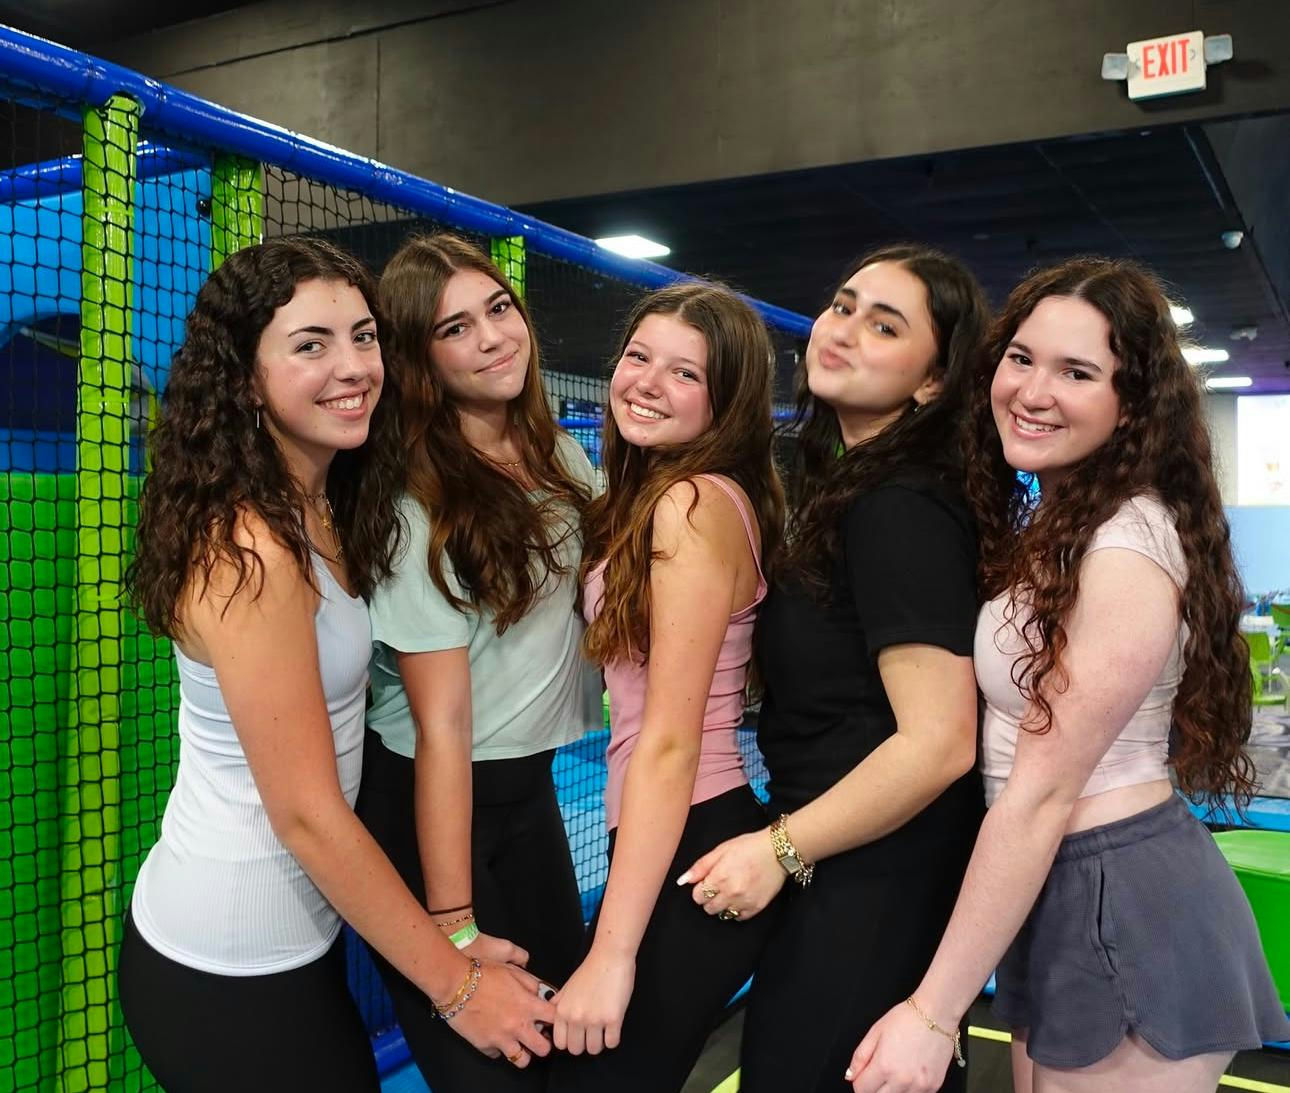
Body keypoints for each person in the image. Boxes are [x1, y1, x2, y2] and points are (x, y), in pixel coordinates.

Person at [118, 237, 554, 1093]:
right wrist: (459, 983)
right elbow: (308, 814)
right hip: (227, 963)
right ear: (245, 378)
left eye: (363, 336)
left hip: (298, 939)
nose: (353, 366)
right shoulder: (249, 547)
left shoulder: (320, 503)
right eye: (310, 345)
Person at [846, 257, 1290, 1093]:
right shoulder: (1061, 520)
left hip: (1115, 894)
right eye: (1022, 358)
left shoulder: (1124, 545)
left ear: (1132, 405)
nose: (1033, 390)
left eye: (1077, 372)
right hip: (1065, 883)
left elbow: (1043, 793)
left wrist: (935, 1012)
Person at [681, 245, 991, 1093]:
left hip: (874, 873)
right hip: (858, 858)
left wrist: (777, 850)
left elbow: (938, 743)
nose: (844, 331)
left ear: (933, 381)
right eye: (843, 305)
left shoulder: (900, 506)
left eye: (885, 326)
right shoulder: (850, 483)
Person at [358, 233, 597, 1091]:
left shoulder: (559, 456)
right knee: (492, 1062)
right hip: (430, 798)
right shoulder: (414, 500)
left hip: (525, 791)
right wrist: (451, 925)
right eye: (455, 328)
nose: (494, 336)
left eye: (499, 309)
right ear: (420, 361)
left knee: (571, 1041)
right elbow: (442, 725)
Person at [546, 281, 786, 1092]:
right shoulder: (661, 496)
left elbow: (672, 739)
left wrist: (612, 952)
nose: (646, 382)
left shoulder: (686, 505)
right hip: (669, 832)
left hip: (684, 838)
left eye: (685, 373)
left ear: (726, 403)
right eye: (638, 356)